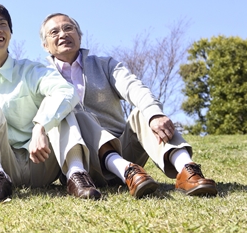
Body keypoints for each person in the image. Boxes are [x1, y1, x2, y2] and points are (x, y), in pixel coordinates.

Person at [40, 13, 217, 196]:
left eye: (68, 28)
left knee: (145, 113)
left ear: (79, 35)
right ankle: (126, 171)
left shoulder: (105, 65)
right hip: (82, 163)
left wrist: (154, 114)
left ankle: (187, 172)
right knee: (77, 115)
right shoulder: (40, 75)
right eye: (54, 32)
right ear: (45, 45)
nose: (63, 34)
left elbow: (134, 87)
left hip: (125, 150)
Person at [0, 2, 116, 202]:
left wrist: (40, 126)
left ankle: (77, 175)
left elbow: (67, 91)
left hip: (43, 161)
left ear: (10, 32)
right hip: (3, 161)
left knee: (61, 106)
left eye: (3, 24)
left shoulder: (30, 70)